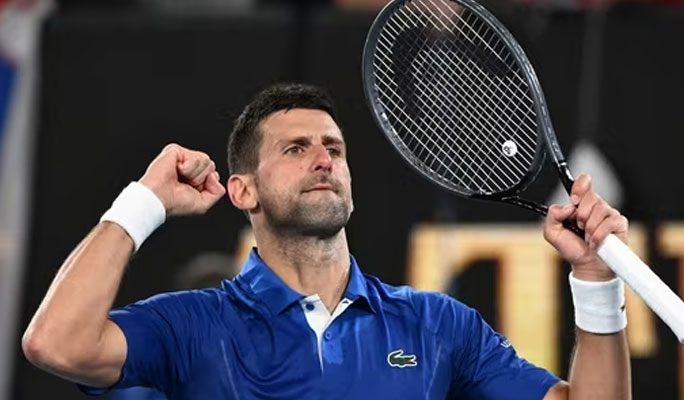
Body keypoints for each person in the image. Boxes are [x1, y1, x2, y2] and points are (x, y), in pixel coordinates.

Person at [22, 83, 631, 399]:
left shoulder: (439, 325)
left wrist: (595, 281)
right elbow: (56, 344)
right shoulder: (195, 325)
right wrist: (144, 202)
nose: (323, 160)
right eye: (296, 149)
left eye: (334, 149)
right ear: (243, 191)